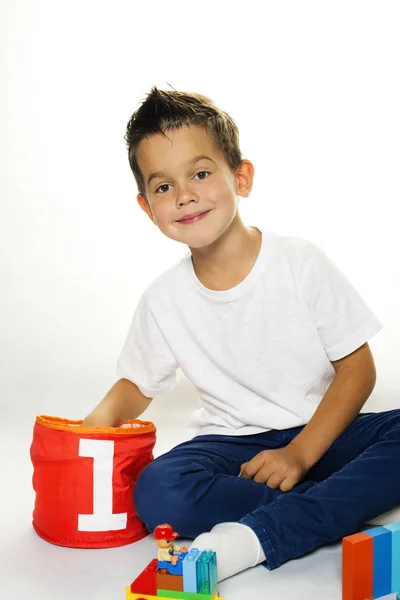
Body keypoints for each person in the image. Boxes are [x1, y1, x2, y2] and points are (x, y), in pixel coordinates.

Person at [83, 86, 400, 582]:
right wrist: (87, 432)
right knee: (159, 490)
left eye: (201, 173)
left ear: (242, 177)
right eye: (163, 187)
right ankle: (348, 504)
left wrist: (299, 454)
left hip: (322, 432)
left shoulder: (300, 262)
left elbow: (358, 370)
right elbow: (135, 387)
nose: (184, 194)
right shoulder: (164, 299)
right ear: (147, 208)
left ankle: (266, 531)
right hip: (233, 448)